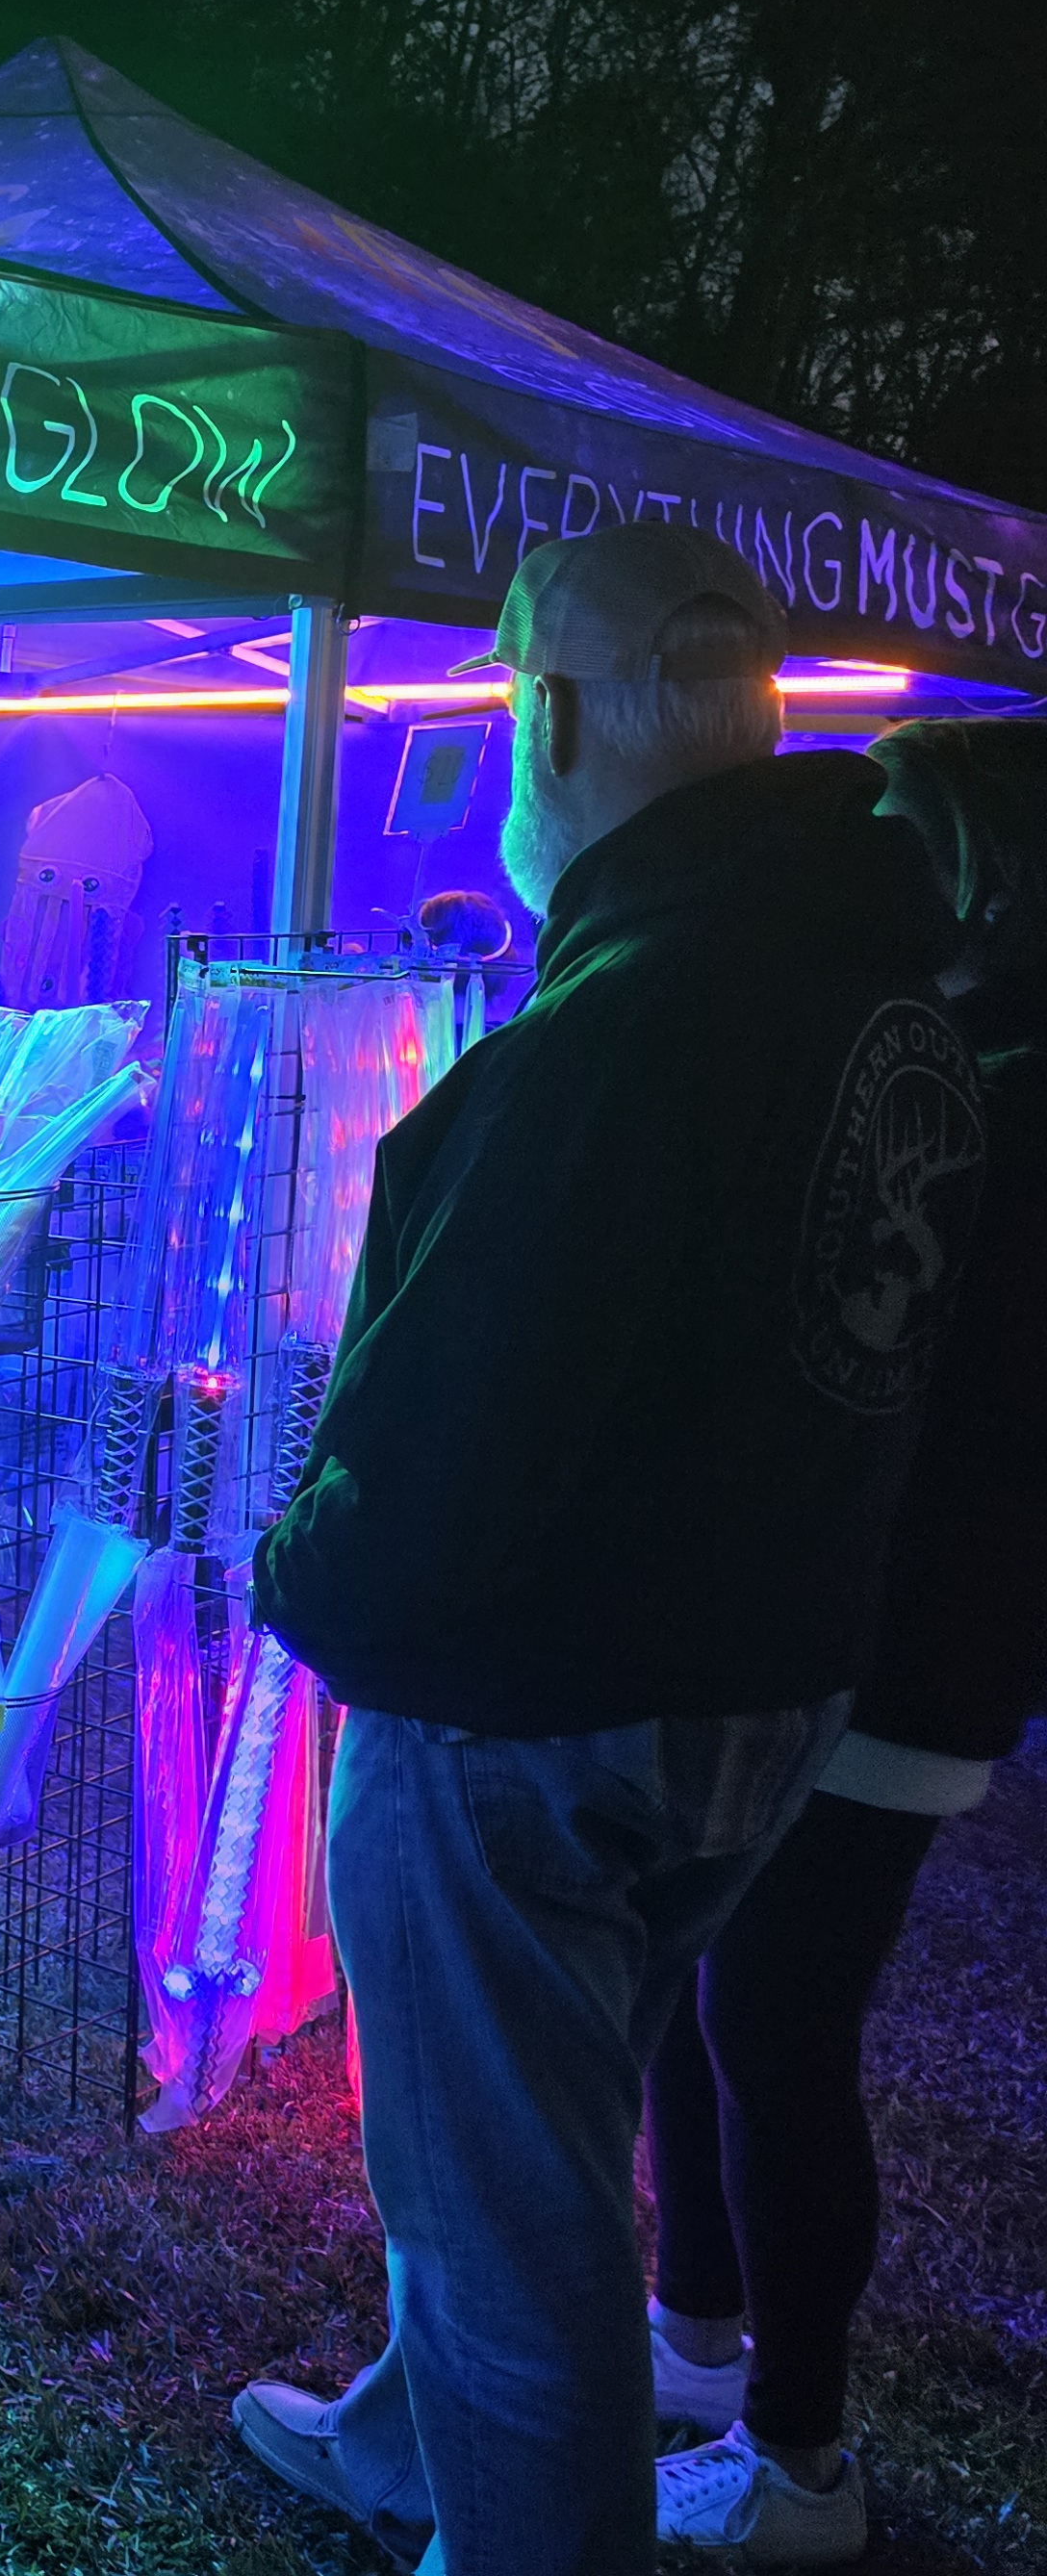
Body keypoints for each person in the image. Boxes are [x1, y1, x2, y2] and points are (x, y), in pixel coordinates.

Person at [231, 524, 984, 2576]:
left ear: (547, 716)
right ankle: (406, 2442)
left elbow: (443, 1445)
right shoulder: (874, 986)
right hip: (760, 1675)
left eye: (503, 709)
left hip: (531, 1710)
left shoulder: (627, 1026)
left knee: (508, 2224)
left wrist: (297, 1571)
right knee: (537, 2121)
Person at [638, 717, 1047, 2567]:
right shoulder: (949, 1057)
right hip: (836, 1612)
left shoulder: (988, 1081)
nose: (858, 850)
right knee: (703, 1977)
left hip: (903, 1629)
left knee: (771, 2016)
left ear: (981, 872)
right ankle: (705, 2344)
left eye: (897, 826)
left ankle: (804, 2463)